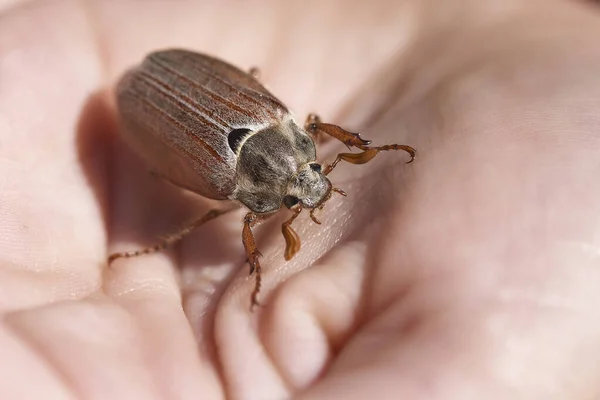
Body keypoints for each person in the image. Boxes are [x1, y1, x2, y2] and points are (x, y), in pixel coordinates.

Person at [2, 0, 600, 398]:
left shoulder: (277, 120)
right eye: (303, 183)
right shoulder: (230, 182)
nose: (314, 184)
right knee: (214, 213)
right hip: (161, 101)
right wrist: (253, 265)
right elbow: (243, 216)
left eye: (309, 172)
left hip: (197, 95)